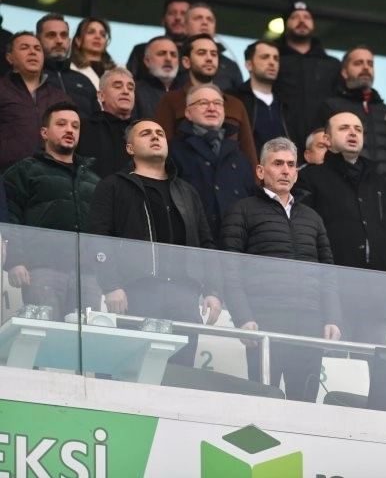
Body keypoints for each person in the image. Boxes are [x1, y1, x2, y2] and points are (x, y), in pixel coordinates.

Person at [86, 119, 221, 366]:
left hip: (184, 293)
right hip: (138, 290)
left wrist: (212, 290)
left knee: (180, 373)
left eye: (160, 133)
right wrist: (111, 285)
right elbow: (98, 238)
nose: (155, 137)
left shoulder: (187, 191)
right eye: (146, 133)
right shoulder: (113, 186)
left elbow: (206, 243)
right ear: (130, 148)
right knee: (135, 368)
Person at [220, 137, 340, 402]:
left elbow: (328, 273)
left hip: (310, 323)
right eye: (277, 164)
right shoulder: (242, 211)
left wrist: (332, 317)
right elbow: (229, 269)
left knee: (305, 406)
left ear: (297, 173)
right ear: (261, 171)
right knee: (264, 402)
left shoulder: (312, 217)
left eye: (290, 165)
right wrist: (243, 317)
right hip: (265, 320)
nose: (285, 170)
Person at [297, 111, 386, 345]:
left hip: (377, 300)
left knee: (374, 365)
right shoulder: (310, 178)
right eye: (344, 128)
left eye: (358, 129)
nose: (353, 133)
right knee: (336, 364)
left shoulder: (381, 183)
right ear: (327, 139)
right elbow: (303, 235)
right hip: (331, 297)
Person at [3, 102, 101, 320]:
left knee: (89, 338)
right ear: (44, 132)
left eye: (75, 126)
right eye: (61, 124)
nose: (69, 130)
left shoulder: (94, 181)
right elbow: (11, 218)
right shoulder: (23, 171)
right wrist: (15, 260)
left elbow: (103, 233)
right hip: (42, 268)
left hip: (87, 275)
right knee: (47, 336)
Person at [313, 46, 386, 191]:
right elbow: (318, 146)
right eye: (358, 63)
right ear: (344, 72)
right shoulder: (331, 106)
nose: (366, 67)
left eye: (370, 64)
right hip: (344, 188)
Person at [168, 84, 256, 240]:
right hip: (192, 243)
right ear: (188, 113)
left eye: (218, 103)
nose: (212, 108)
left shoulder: (240, 157)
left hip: (237, 245)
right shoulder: (173, 150)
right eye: (203, 103)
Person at [155, 34, 258, 166]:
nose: (209, 58)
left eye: (214, 54)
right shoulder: (171, 101)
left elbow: (249, 156)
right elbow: (162, 151)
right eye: (201, 53)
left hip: (230, 176)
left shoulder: (235, 104)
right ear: (186, 62)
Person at [0, 31, 72, 172]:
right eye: (24, 47)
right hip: (6, 176)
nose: (32, 52)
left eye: (37, 48)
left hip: (52, 176)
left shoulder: (61, 98)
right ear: (10, 58)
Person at [274, 1, 342, 144]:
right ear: (285, 24)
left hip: (323, 141)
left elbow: (340, 103)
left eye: (306, 17)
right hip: (282, 140)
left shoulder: (331, 64)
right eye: (295, 17)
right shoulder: (275, 60)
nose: (301, 21)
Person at [228, 40, 288, 156]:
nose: (272, 62)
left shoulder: (286, 102)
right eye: (265, 57)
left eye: (276, 59)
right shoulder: (234, 99)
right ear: (249, 65)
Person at [36, 13, 99, 117]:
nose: (59, 41)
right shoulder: (30, 78)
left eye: (64, 35)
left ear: (69, 41)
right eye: (51, 35)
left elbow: (97, 121)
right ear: (37, 40)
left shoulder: (84, 81)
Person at [77, 67, 136, 178]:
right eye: (118, 86)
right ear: (101, 95)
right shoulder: (83, 129)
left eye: (130, 88)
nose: (126, 91)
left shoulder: (143, 131)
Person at [179, 3, 243, 91]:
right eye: (198, 18)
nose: (205, 22)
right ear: (185, 26)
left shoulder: (231, 66)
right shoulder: (172, 58)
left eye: (210, 19)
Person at [125, 0, 190, 83]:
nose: (178, 18)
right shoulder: (140, 52)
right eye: (172, 13)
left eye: (184, 14)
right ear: (163, 20)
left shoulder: (198, 53)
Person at [134, 36, 185, 119]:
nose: (168, 59)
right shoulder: (135, 92)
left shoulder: (188, 91)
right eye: (161, 53)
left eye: (173, 55)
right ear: (147, 61)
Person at [69, 17, 116, 90]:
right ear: (78, 40)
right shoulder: (69, 69)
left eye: (103, 34)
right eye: (91, 32)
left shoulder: (118, 71)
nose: (98, 37)